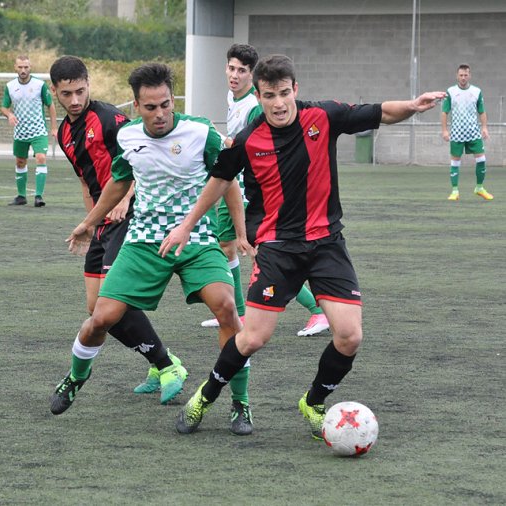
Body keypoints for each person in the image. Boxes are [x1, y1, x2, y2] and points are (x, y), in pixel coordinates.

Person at [160, 54, 445, 437]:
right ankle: (206, 396)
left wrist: (412, 106)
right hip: (278, 248)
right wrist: (186, 226)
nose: (278, 103)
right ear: (258, 97)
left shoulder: (322, 117)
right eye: (268, 96)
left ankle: (312, 403)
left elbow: (379, 113)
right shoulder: (247, 139)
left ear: (295, 89)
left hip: (327, 243)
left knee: (349, 336)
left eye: (283, 93)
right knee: (254, 337)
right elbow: (219, 181)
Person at [49, 63, 244, 418]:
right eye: (151, 107)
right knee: (100, 316)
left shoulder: (200, 131)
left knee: (228, 307)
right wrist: (89, 222)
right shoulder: (127, 137)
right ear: (136, 107)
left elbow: (227, 178)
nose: (160, 114)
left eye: (166, 104)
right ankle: (76, 378)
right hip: (144, 238)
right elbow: (118, 180)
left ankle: (239, 402)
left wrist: (238, 232)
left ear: (173, 99)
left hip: (195, 236)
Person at [49, 55, 186, 408]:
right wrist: (91, 222)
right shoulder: (64, 133)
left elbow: (139, 160)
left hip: (131, 218)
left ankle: (168, 366)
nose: (75, 100)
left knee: (109, 308)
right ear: (55, 93)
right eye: (67, 94)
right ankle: (160, 362)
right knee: (97, 309)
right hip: (103, 226)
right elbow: (85, 180)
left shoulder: (110, 119)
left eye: (81, 91)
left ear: (89, 84)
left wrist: (126, 196)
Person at [200, 43, 330, 342]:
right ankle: (238, 311)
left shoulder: (256, 107)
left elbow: (262, 149)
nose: (234, 75)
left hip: (249, 192)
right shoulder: (233, 98)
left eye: (242, 71)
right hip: (235, 185)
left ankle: (317, 309)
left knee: (262, 257)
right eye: (231, 68)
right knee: (229, 247)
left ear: (252, 77)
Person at [1, 54, 58, 207]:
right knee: (20, 162)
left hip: (38, 131)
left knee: (40, 158)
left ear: (30, 67)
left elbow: (50, 106)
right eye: (20, 67)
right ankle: (21, 196)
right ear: (15, 68)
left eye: (26, 67)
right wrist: (9, 114)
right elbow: (4, 107)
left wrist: (54, 128)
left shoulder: (40, 85)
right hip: (20, 132)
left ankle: (38, 196)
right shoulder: (10, 86)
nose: (23, 70)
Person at [441, 63, 492, 201]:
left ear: (470, 75)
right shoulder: (450, 91)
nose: (463, 77)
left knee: (481, 159)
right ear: (457, 76)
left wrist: (484, 127)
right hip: (457, 133)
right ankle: (455, 191)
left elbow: (481, 111)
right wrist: (445, 130)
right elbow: (445, 112)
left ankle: (479, 188)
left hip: (473, 132)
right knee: (455, 162)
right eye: (461, 75)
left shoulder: (476, 91)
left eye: (466, 75)